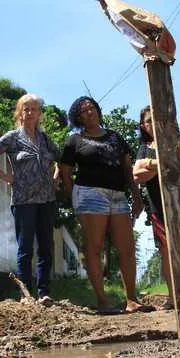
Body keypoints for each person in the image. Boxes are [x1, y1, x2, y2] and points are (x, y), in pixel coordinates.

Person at [58, 96, 150, 314]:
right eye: (83, 111)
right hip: (89, 195)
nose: (89, 112)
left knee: (126, 248)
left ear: (98, 110)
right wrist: (74, 200)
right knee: (95, 246)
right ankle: (103, 302)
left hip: (118, 195)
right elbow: (66, 172)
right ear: (78, 117)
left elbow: (128, 169)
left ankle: (131, 300)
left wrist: (136, 196)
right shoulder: (74, 140)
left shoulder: (115, 137)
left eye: (91, 108)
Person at [0, 93, 61, 305]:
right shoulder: (12, 137)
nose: (31, 112)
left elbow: (62, 159)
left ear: (39, 114)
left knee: (46, 247)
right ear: (20, 113)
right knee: (25, 248)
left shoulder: (45, 139)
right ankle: (26, 294)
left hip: (47, 199)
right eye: (26, 109)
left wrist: (55, 177)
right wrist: (6, 177)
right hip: (23, 200)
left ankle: (44, 293)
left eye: (34, 109)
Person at [132, 105, 180, 308]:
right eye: (148, 121)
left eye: (156, 118)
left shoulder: (177, 136)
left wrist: (151, 165)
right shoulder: (143, 148)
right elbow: (136, 176)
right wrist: (163, 163)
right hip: (157, 205)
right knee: (165, 250)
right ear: (143, 126)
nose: (152, 123)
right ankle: (174, 297)